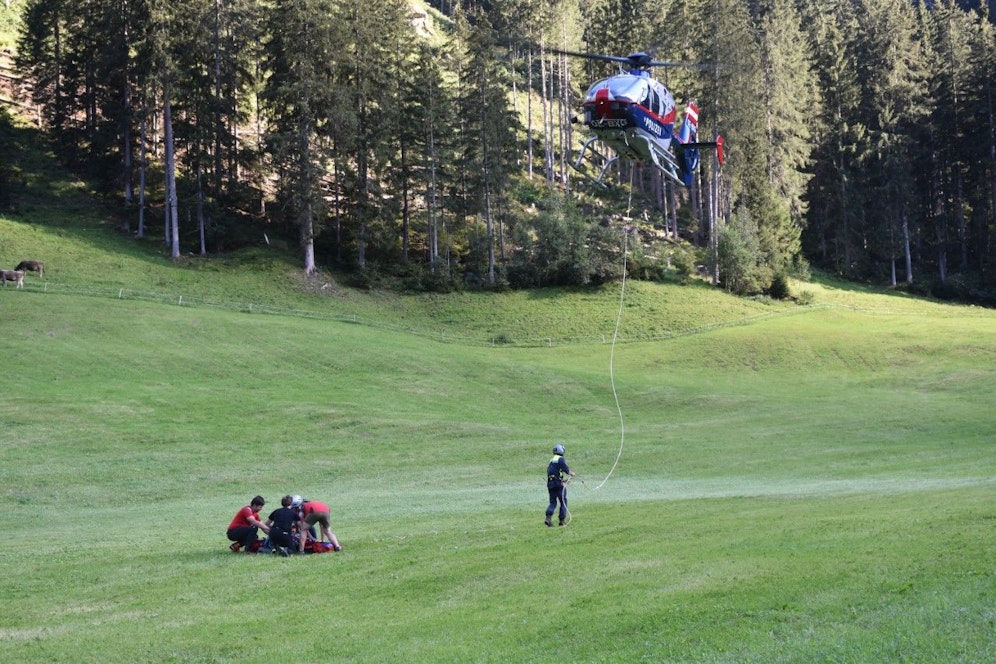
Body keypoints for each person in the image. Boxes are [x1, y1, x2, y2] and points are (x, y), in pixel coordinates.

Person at [545, 444, 575, 527]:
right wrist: (571, 473)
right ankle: (562, 521)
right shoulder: (560, 459)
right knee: (563, 501)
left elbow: (553, 472)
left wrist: (562, 480)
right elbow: (566, 469)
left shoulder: (551, 460)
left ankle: (548, 518)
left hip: (550, 483)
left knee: (553, 502)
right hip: (558, 483)